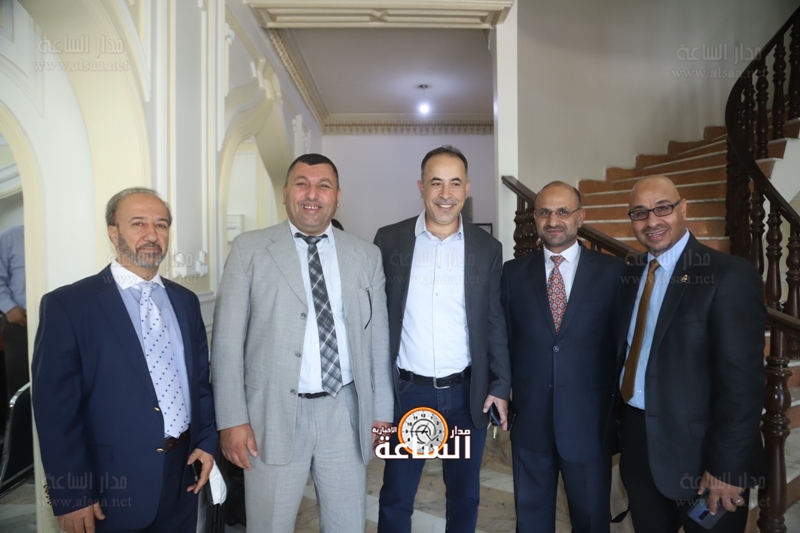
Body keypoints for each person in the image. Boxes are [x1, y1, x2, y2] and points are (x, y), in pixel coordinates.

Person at [211, 153, 393, 532]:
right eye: (302, 184)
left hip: (345, 412)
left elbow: (377, 341)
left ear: (337, 196)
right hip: (271, 416)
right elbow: (226, 344)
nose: (312, 194)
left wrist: (382, 413)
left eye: (323, 186)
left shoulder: (365, 255)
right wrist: (231, 420)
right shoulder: (249, 250)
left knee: (347, 525)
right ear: (285, 193)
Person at [31, 188, 218, 533]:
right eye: (138, 223)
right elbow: (56, 413)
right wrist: (72, 494)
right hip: (111, 487)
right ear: (113, 232)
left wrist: (207, 443)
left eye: (161, 224)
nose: (152, 235)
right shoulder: (69, 306)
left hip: (183, 476)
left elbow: (199, 384)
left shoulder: (185, 301)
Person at [374, 145, 511, 532]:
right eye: (436, 183)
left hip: (466, 396)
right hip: (408, 395)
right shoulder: (390, 240)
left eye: (454, 183)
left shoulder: (487, 248)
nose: (445, 194)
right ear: (421, 187)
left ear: (467, 188)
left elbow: (494, 321)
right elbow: (374, 319)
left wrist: (500, 384)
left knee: (464, 495)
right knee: (397, 494)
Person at [618, 175, 766, 533]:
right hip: (638, 445)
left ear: (683, 208)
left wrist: (727, 467)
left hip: (704, 459)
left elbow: (743, 385)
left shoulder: (728, 275)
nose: (652, 221)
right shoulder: (632, 272)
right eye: (640, 213)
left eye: (662, 208)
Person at [501, 182, 625, 532]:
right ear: (535, 218)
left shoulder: (614, 273)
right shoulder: (512, 274)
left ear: (580, 217)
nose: (553, 220)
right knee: (531, 522)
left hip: (589, 424)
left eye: (563, 211)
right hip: (530, 420)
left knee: (591, 521)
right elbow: (504, 341)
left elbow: (621, 347)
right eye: (544, 212)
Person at [0, 225, 28, 401]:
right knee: (21, 387)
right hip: (20, 323)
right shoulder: (10, 237)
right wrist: (9, 308)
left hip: (56, 321)